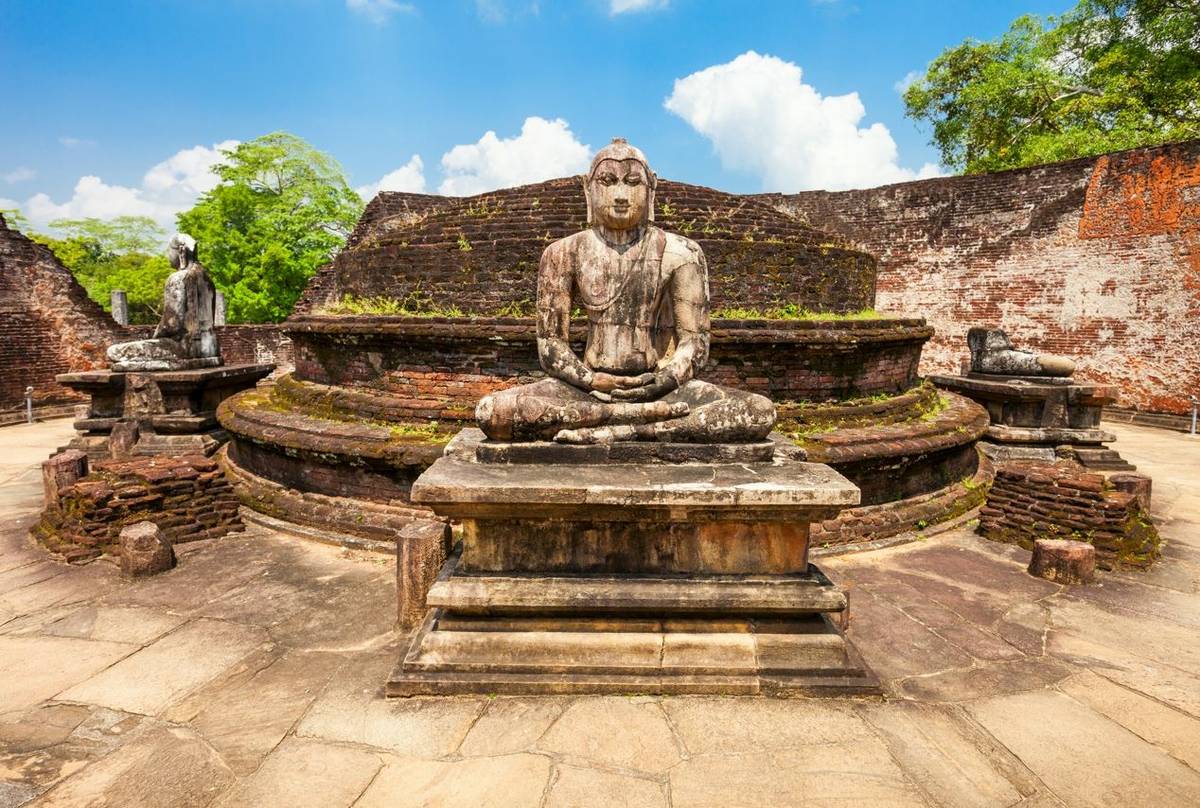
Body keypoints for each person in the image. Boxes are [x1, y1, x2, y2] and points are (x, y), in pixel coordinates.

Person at [475, 138, 775, 444]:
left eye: (633, 182)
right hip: (587, 390)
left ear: (651, 188)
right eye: (607, 181)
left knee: (758, 412)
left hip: (659, 388)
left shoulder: (682, 252)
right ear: (588, 188)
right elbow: (551, 346)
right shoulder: (563, 253)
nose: (620, 195)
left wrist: (660, 381)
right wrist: (591, 379)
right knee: (492, 412)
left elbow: (695, 344)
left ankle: (631, 429)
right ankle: (632, 423)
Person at [106, 233, 220, 371]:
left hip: (184, 347)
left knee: (115, 351)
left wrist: (157, 335)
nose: (168, 256)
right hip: (210, 348)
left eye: (169, 251)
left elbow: (172, 324)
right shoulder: (208, 280)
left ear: (180, 251)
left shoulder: (178, 278)